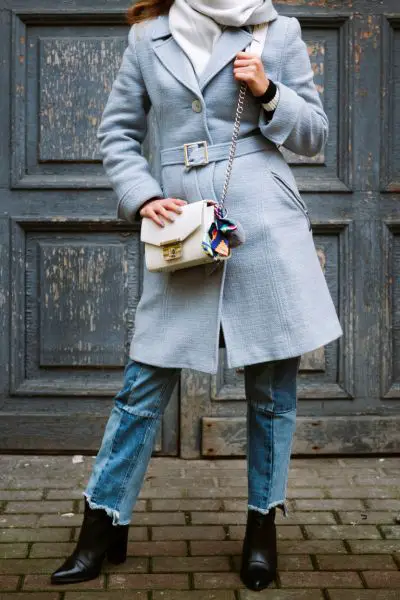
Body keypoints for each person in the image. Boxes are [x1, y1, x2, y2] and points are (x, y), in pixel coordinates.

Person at [50, 0, 342, 592]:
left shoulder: (276, 30)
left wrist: (268, 91)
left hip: (262, 220)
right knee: (144, 382)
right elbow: (117, 131)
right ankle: (102, 522)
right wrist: (140, 194)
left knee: (270, 390)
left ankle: (262, 528)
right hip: (182, 224)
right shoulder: (148, 38)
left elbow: (313, 134)